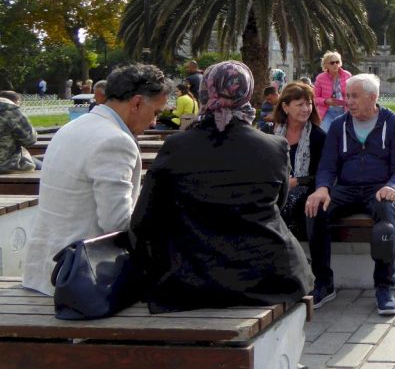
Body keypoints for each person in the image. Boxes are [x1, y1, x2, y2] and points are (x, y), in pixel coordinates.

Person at [130, 61, 314, 312]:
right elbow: (277, 205)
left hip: (192, 280)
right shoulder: (274, 147)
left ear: (207, 90)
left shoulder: (178, 147)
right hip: (270, 277)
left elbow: (144, 219)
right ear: (246, 93)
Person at [22, 64, 173, 295]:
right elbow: (117, 221)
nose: (154, 122)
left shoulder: (73, 127)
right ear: (137, 103)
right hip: (80, 279)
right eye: (156, 113)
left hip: (44, 271)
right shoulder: (115, 141)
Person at [305, 74, 395, 312]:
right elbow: (327, 166)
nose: (347, 101)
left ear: (372, 97)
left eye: (353, 96)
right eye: (346, 96)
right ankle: (324, 282)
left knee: (385, 219)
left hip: (380, 188)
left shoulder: (393, 123)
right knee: (315, 210)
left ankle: (384, 287)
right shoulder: (338, 125)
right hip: (346, 189)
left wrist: (393, 186)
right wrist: (322, 188)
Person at [268, 81, 325, 239]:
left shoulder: (318, 137)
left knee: (289, 202)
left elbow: (323, 174)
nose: (306, 109)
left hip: (305, 190)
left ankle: (289, 250)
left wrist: (296, 181)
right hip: (273, 186)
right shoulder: (269, 133)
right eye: (300, 104)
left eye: (309, 104)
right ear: (285, 107)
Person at [0, 91, 37, 173]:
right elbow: (30, 141)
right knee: (46, 168)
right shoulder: (12, 112)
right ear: (16, 102)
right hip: (8, 165)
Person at [314, 50, 351, 130]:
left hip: (344, 111)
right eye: (332, 63)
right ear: (326, 65)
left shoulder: (347, 75)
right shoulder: (320, 78)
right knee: (325, 134)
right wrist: (326, 101)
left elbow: (353, 94)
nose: (335, 64)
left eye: (337, 62)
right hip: (327, 112)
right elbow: (315, 98)